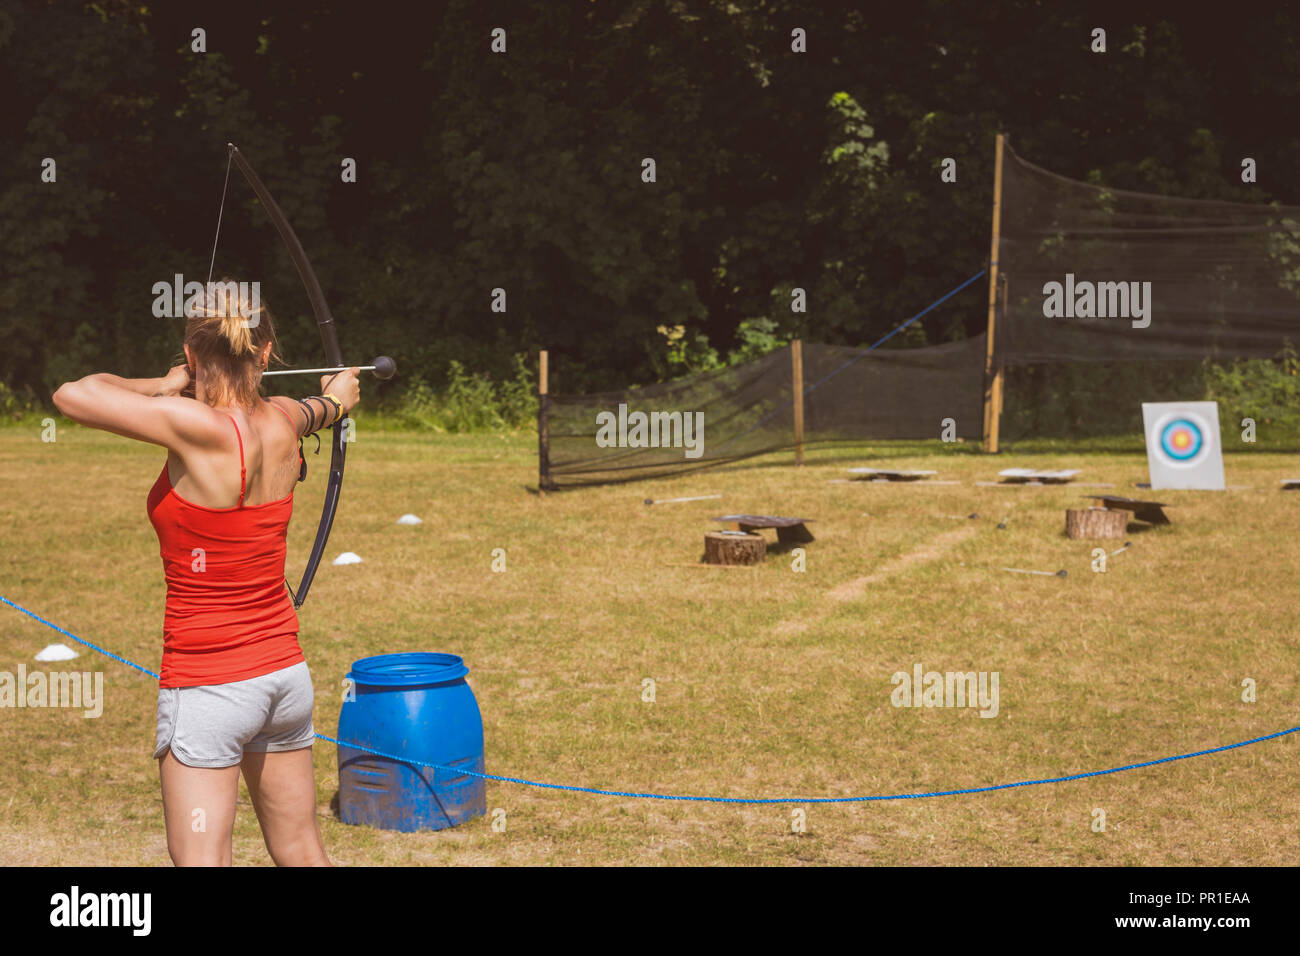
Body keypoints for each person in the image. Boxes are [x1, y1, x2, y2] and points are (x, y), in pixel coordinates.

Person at [52, 282, 361, 866]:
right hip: (283, 679)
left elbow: (74, 394)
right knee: (302, 850)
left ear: (193, 355)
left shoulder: (190, 424)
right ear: (267, 353)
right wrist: (340, 396)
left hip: (210, 684)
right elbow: (323, 408)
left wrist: (167, 384)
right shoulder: (286, 421)